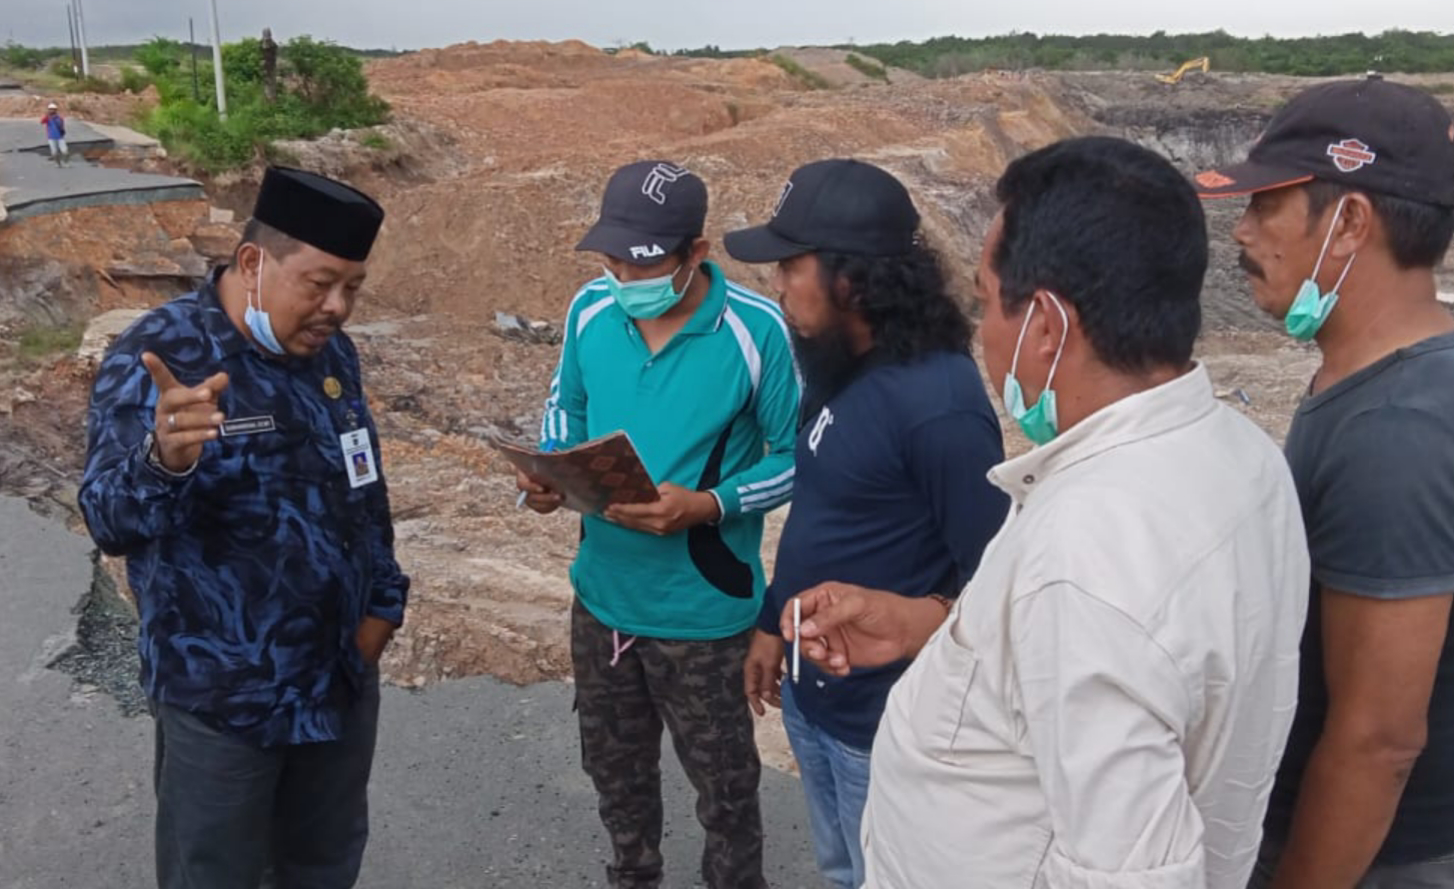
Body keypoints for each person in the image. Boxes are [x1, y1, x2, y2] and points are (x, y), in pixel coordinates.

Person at [791, 137, 1310, 889]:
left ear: (1045, 326)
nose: (982, 334)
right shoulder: (1242, 454)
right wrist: (931, 628)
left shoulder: (1089, 556)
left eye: (986, 297)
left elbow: (1128, 872)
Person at [1196, 78, 1454, 889]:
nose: (1242, 231)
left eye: (1268, 205)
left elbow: (1379, 740)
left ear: (1349, 223)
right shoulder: (1370, 376)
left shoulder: (1399, 434)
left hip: (1383, 859)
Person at [80, 165, 406, 889]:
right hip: (223, 697)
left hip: (339, 678)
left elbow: (363, 490)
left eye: (353, 286)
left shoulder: (332, 355)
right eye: (319, 283)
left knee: (322, 866)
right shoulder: (161, 357)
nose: (338, 306)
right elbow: (108, 520)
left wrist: (385, 606)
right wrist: (163, 458)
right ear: (254, 262)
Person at [724, 160, 1008, 889]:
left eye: (791, 264)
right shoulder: (839, 364)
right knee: (839, 867)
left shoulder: (937, 405)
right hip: (811, 698)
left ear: (852, 277)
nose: (778, 283)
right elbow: (820, 515)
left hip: (881, 723)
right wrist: (769, 625)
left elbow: (996, 583)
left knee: (877, 876)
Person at [517, 161, 800, 889]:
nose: (622, 276)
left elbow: (795, 459)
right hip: (603, 601)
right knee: (615, 775)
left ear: (696, 253)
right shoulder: (589, 310)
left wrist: (708, 505)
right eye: (611, 258)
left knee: (727, 792)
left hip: (703, 616)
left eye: (642, 263)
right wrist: (550, 469)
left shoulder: (755, 333)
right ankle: (631, 875)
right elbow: (565, 409)